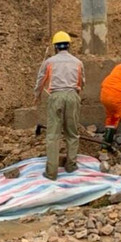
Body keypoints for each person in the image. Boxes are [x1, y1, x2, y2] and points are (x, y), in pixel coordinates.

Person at [33, 31, 84, 177]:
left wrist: (36, 96)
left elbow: (40, 81)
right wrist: (75, 95)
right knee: (72, 134)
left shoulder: (49, 62)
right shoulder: (78, 62)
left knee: (53, 135)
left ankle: (51, 172)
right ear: (69, 46)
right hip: (72, 96)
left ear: (55, 47)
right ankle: (71, 165)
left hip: (55, 97)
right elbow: (81, 82)